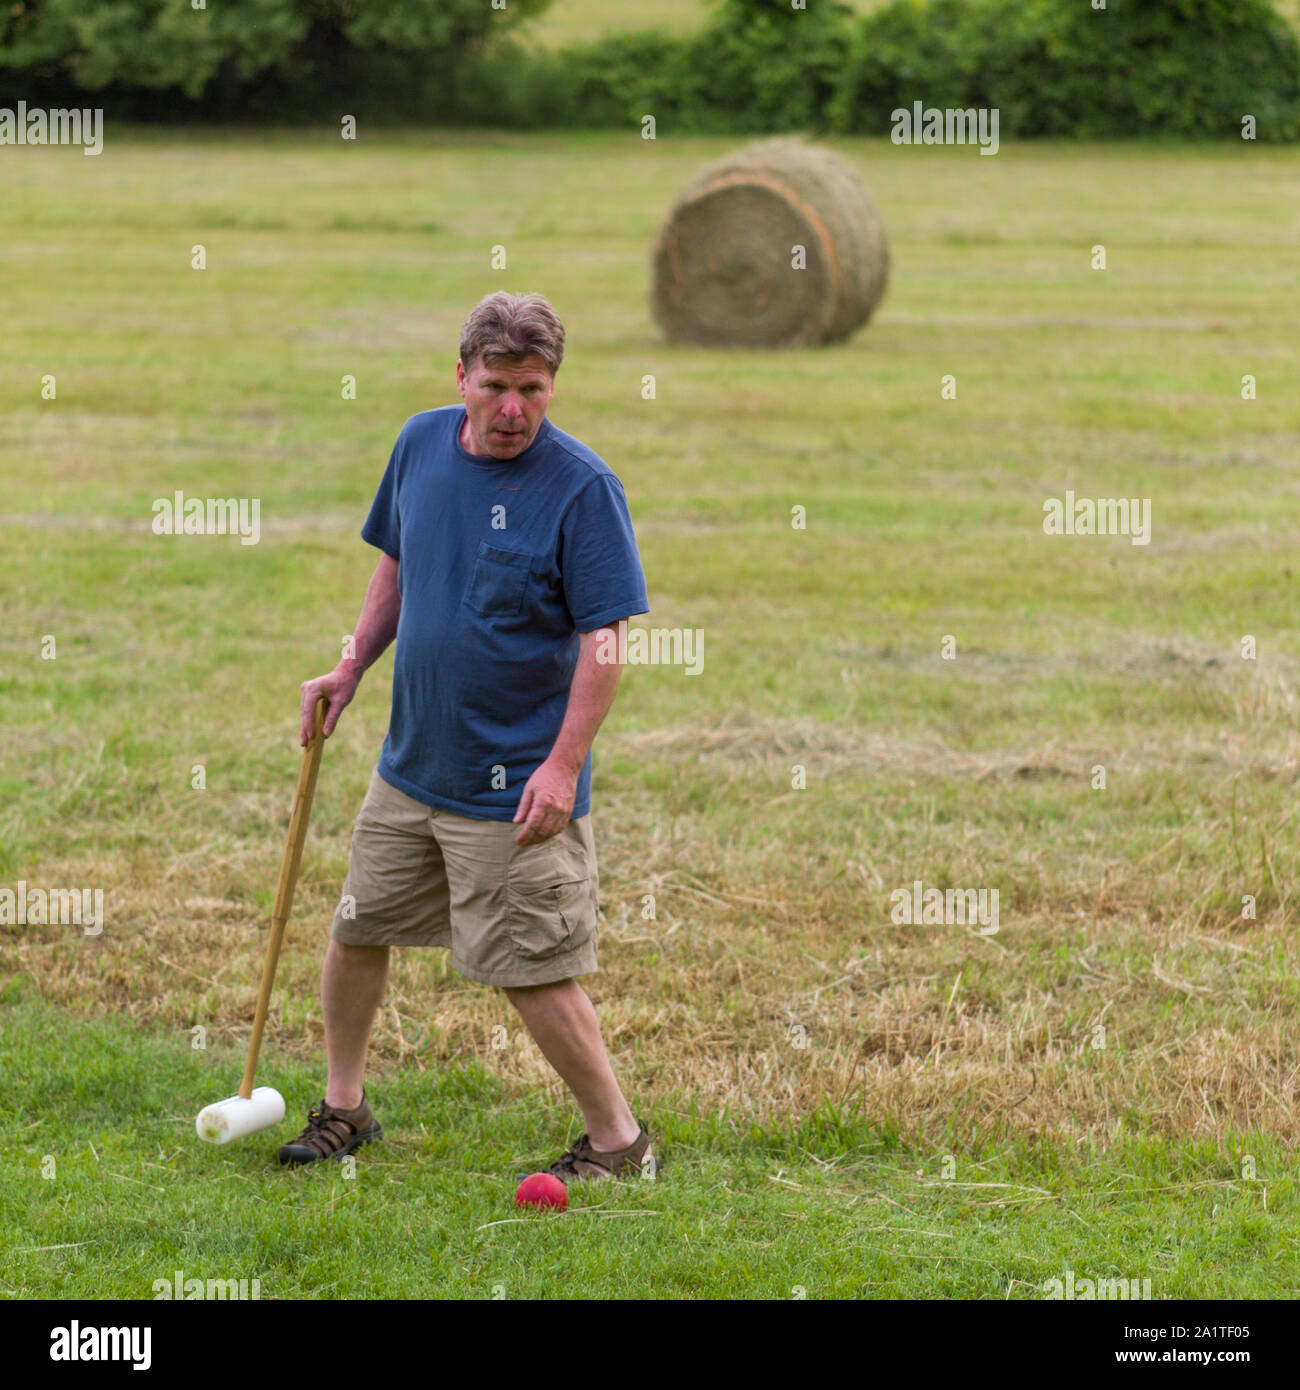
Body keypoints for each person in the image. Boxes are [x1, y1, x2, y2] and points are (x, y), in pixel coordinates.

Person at [282, 291, 654, 1184]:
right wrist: (352, 666)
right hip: (412, 767)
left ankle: (620, 1142)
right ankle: (345, 1107)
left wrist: (562, 768)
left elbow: (605, 644)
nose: (513, 409)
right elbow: (399, 566)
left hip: (516, 785)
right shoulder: (418, 445)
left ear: (553, 385)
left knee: (530, 969)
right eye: (495, 387)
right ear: (461, 378)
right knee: (356, 929)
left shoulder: (582, 489)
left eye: (532, 388)